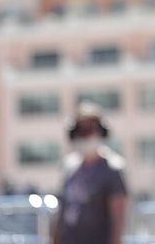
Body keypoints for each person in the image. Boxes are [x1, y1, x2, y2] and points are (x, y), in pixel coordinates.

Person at [53, 102, 127, 244]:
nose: (86, 135)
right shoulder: (69, 167)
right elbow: (62, 215)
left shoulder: (113, 169)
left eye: (91, 129)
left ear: (101, 131)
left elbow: (118, 220)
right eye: (82, 130)